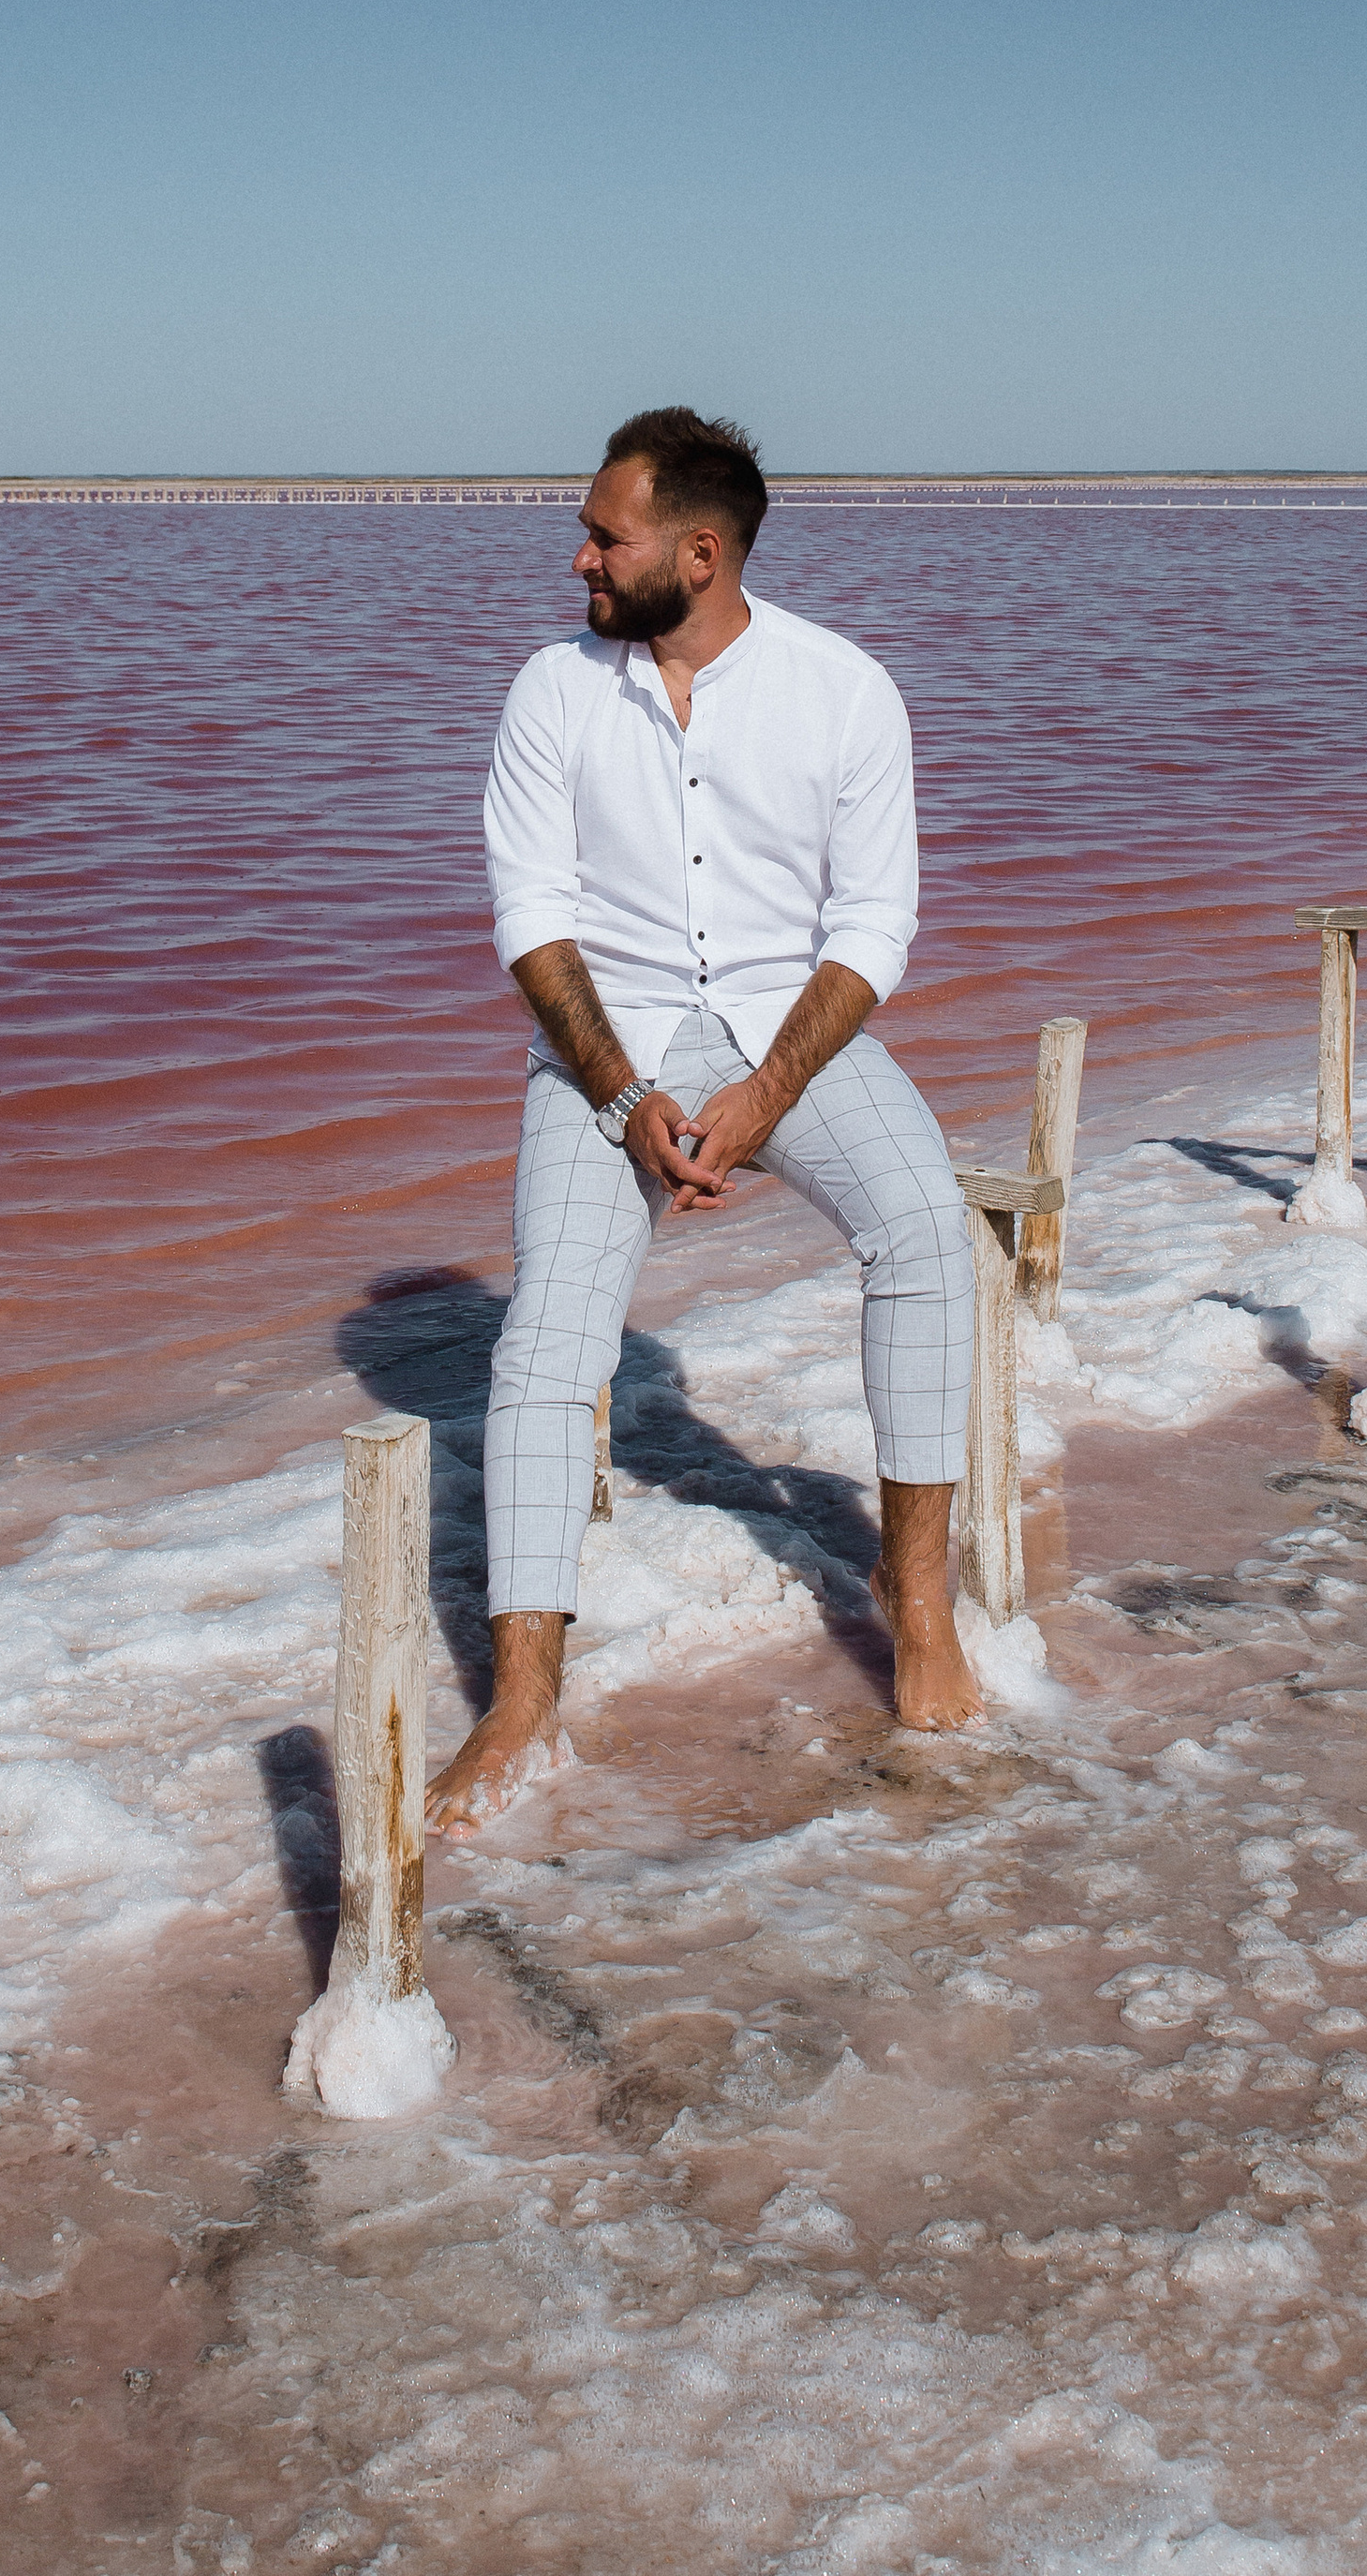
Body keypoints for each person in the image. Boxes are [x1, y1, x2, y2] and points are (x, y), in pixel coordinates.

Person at [426, 404, 980, 1839]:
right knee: (548, 1334)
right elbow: (532, 920)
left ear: (699, 553)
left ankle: (918, 1595)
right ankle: (524, 1698)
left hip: (786, 1033)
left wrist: (766, 1091)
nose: (579, 560)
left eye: (604, 538)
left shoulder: (844, 691)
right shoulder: (552, 692)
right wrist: (621, 1097)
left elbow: (874, 926)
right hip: (605, 1046)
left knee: (928, 1232)